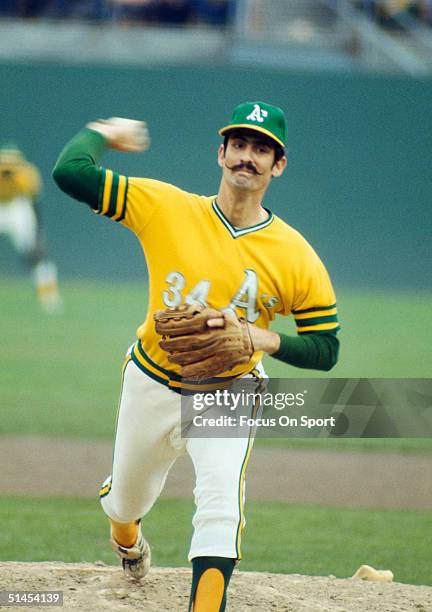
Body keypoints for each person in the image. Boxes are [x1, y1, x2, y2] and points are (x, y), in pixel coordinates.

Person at [52, 102, 340, 611]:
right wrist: (101, 130)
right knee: (126, 501)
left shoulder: (296, 255)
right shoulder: (168, 207)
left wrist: (261, 338)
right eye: (239, 145)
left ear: (279, 165)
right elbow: (70, 174)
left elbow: (325, 349)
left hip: (230, 390)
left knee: (220, 505)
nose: (247, 157)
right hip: (152, 379)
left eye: (261, 149)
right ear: (221, 153)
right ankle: (126, 535)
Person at [0, 143, 61, 312]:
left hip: (16, 207)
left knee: (36, 253)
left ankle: (48, 295)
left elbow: (34, 203)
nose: (7, 171)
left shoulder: (27, 174)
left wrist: (37, 232)